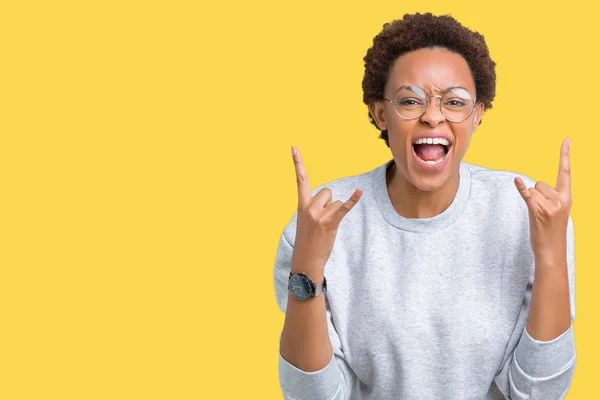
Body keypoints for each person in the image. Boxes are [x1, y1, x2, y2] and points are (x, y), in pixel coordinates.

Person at [273, 12, 575, 400]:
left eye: (454, 102)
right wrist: (307, 269)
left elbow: (538, 394)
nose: (433, 116)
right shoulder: (323, 222)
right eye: (411, 100)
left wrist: (550, 256)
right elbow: (314, 397)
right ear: (380, 113)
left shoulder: (529, 213)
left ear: (477, 114)